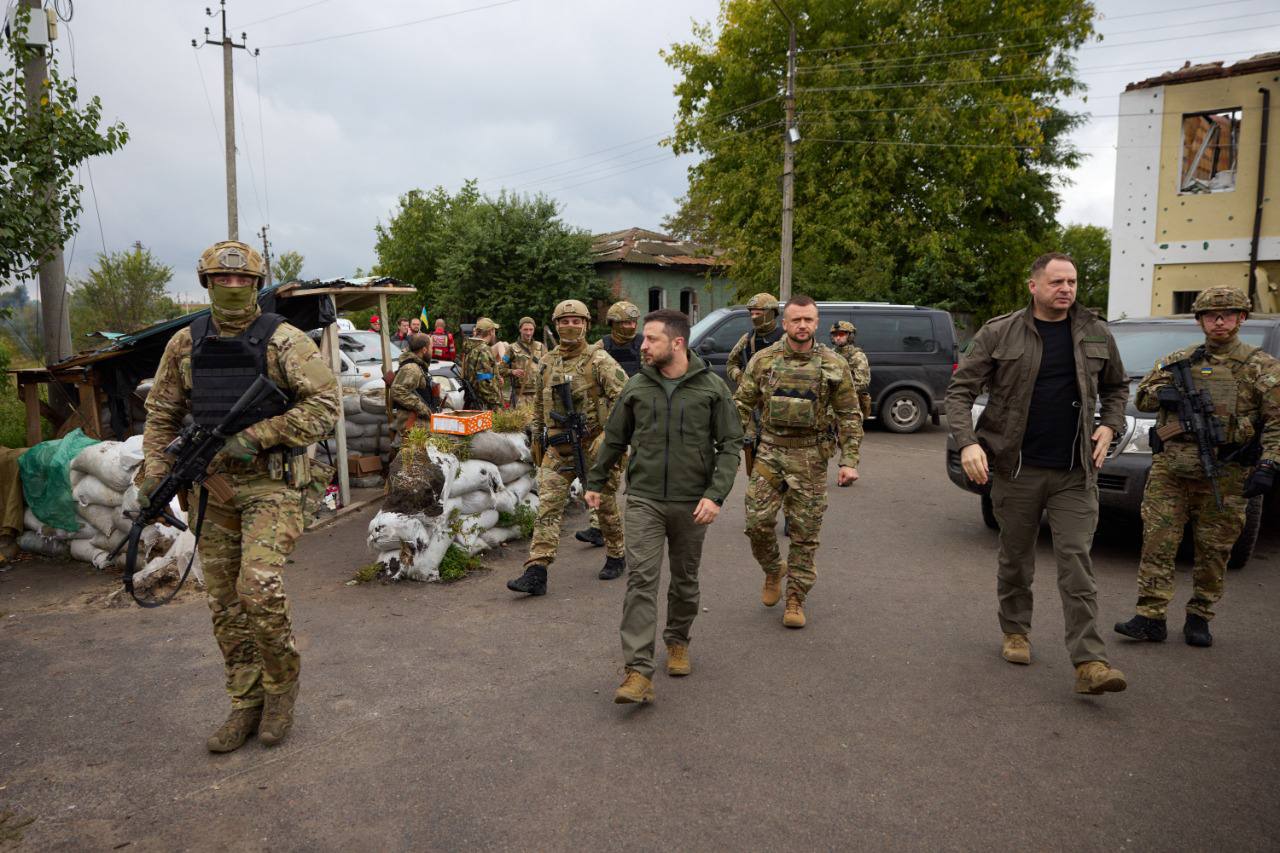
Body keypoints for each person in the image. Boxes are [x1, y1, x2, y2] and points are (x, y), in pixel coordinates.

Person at [140, 240, 338, 752]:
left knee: (258, 588)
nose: (232, 288)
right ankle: (244, 702)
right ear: (206, 283)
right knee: (226, 605)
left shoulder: (285, 341)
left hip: (272, 483)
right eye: (221, 280)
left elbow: (326, 405)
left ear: (256, 285)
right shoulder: (185, 344)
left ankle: (280, 691)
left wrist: (257, 436)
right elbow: (161, 416)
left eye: (242, 281)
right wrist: (156, 474)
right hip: (212, 488)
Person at [944, 251, 1129, 696]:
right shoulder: (999, 331)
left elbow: (1116, 388)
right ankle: (1015, 631)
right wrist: (968, 443)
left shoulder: (1096, 331)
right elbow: (958, 392)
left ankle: (1090, 662)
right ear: (1034, 286)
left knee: (1076, 564)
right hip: (1016, 469)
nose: (1066, 289)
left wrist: (1109, 424)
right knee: (1016, 559)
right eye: (1056, 282)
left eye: (1072, 281)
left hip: (1074, 472)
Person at [586, 309, 743, 704]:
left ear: (677, 343)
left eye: (651, 339)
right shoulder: (638, 386)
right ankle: (638, 671)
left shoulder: (711, 387)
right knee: (641, 578)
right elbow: (615, 438)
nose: (642, 346)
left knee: (685, 580)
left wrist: (716, 494)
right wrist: (596, 481)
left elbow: (730, 445)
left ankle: (677, 641)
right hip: (644, 500)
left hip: (694, 503)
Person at [1115, 286, 1280, 648]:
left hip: (1227, 470)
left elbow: (1277, 421)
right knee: (1157, 543)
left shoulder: (1261, 367)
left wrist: (1269, 463)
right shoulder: (1179, 360)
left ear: (1242, 318)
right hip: (1171, 471)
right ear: (1200, 320)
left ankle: (1199, 615)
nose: (1219, 322)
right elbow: (1141, 395)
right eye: (1210, 316)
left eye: (1228, 315)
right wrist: (1164, 394)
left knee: (1214, 550)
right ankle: (1150, 616)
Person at [733, 294, 862, 629]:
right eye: (796, 320)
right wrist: (722, 446)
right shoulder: (763, 360)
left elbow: (850, 414)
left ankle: (795, 598)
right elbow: (741, 405)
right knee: (757, 524)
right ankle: (774, 569)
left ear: (816, 323)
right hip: (770, 451)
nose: (802, 325)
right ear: (785, 323)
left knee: (805, 534)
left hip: (811, 457)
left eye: (808, 320)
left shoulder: (834, 364)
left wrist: (849, 460)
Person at [507, 299, 628, 596]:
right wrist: (537, 437)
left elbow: (625, 400)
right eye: (564, 321)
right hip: (558, 447)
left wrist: (610, 439)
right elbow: (538, 405)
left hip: (594, 446)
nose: (570, 326)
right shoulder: (547, 361)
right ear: (557, 325)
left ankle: (616, 553)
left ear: (586, 325)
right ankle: (537, 570)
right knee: (547, 506)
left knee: (606, 504)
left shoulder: (599, 360)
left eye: (576, 321)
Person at [577, 300, 643, 547]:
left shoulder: (644, 345)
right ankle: (598, 525)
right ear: (613, 323)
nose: (631, 326)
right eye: (625, 322)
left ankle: (647, 519)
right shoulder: (600, 347)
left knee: (643, 470)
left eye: (633, 321)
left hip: (642, 416)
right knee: (604, 471)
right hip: (611, 418)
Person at [387, 333, 435, 450]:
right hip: (412, 423)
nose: (432, 351)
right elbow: (398, 391)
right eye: (431, 348)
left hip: (417, 422)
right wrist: (421, 407)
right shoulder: (412, 369)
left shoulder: (417, 367)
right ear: (424, 350)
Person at [726, 292, 785, 387]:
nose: (754, 317)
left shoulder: (785, 338)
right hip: (753, 395)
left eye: (758, 313)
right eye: (752, 314)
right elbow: (731, 363)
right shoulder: (747, 339)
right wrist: (739, 377)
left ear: (770, 314)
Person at [459, 318, 505, 410]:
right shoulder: (484, 350)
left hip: (473, 402)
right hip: (484, 406)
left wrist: (496, 377)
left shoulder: (470, 348)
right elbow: (484, 381)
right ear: (491, 331)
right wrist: (497, 403)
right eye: (494, 330)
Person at [830, 320, 872, 419]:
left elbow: (863, 381)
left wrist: (841, 389)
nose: (838, 337)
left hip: (850, 404)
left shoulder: (857, 356)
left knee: (849, 433)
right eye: (835, 335)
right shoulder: (830, 354)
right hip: (831, 405)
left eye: (841, 334)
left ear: (850, 336)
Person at [505, 316, 545, 407]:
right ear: (520, 329)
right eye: (525, 329)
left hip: (537, 395)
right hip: (519, 396)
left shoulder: (541, 347)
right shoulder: (511, 348)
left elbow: (549, 368)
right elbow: (499, 368)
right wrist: (512, 371)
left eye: (531, 329)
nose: (528, 333)